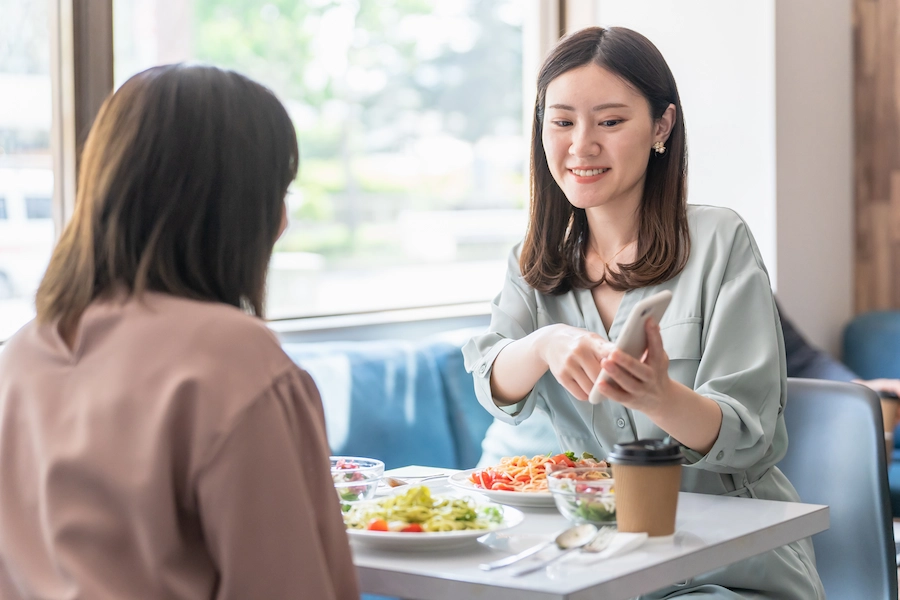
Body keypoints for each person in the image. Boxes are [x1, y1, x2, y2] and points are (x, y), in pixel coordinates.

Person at [462, 27, 824, 599]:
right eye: (562, 122)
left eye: (609, 122)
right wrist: (545, 343)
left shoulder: (719, 240)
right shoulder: (532, 263)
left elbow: (750, 435)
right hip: (603, 561)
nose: (582, 146)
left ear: (661, 127)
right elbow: (495, 387)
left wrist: (658, 396)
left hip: (730, 569)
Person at [0, 65, 359, 599]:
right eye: (276, 192)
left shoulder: (22, 354)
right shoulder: (234, 358)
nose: (282, 221)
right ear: (231, 204)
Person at [479, 304, 900, 465]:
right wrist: (544, 343)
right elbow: (490, 376)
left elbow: (803, 359)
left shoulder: (726, 267)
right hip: (523, 490)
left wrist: (859, 388)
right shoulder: (530, 278)